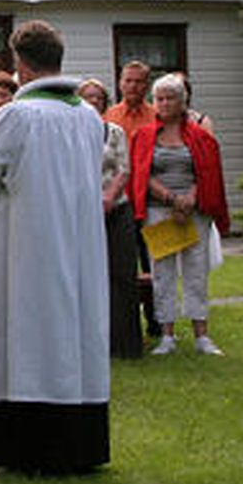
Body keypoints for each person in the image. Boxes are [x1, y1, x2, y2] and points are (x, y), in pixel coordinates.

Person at [0, 20, 110, 475]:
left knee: (22, 337)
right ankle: (76, 444)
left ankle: (21, 447)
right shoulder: (88, 117)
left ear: (20, 66)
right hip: (79, 247)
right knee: (73, 333)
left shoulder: (14, 117)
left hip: (22, 247)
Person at [130, 73, 230, 356]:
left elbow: (207, 172)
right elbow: (141, 173)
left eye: (169, 98)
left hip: (194, 212)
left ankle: (202, 335)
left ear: (182, 101)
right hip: (159, 211)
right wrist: (171, 198)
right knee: (162, 272)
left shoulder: (199, 136)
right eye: (158, 98)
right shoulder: (145, 135)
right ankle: (166, 335)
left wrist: (191, 199)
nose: (162, 103)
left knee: (196, 272)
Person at [78, 77, 141, 358]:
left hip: (116, 211)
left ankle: (125, 343)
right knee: (87, 279)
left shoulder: (114, 132)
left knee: (122, 275)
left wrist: (108, 197)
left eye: (98, 98)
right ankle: (91, 344)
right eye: (88, 97)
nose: (93, 102)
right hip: (81, 214)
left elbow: (123, 169)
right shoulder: (72, 132)